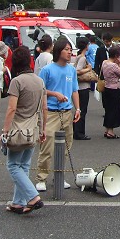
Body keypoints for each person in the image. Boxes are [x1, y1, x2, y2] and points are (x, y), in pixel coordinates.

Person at [2, 46, 47, 214]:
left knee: (13, 165)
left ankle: (32, 196)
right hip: (33, 129)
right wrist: (43, 129)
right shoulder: (39, 81)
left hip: (18, 130)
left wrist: (5, 131)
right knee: (24, 165)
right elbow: (44, 108)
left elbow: (11, 109)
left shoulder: (17, 81)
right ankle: (18, 201)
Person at [35, 36, 80, 192]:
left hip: (67, 112)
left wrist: (78, 109)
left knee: (66, 147)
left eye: (70, 50)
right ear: (58, 50)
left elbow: (75, 90)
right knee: (47, 146)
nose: (69, 53)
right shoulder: (47, 70)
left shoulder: (72, 70)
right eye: (66, 49)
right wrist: (55, 94)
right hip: (52, 113)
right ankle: (41, 178)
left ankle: (58, 177)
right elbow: (40, 90)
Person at [102, 45, 120, 138]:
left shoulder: (104, 62)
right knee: (113, 110)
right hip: (114, 88)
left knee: (108, 109)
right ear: (116, 55)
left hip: (106, 87)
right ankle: (110, 131)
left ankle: (107, 129)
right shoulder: (114, 65)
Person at [73, 36, 92, 140]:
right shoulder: (83, 58)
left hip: (78, 87)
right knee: (82, 110)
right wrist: (88, 69)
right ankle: (80, 132)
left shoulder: (78, 56)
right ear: (85, 46)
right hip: (83, 86)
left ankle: (75, 130)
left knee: (78, 109)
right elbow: (78, 71)